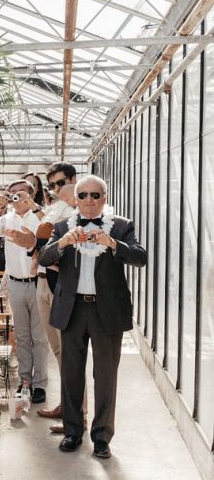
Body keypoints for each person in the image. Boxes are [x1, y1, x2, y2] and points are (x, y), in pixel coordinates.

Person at [39, 175, 147, 459]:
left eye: (95, 195)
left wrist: (112, 243)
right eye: (83, 195)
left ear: (105, 199)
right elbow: (43, 258)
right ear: (76, 199)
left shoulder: (121, 226)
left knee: (106, 374)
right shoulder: (63, 226)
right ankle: (73, 431)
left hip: (107, 310)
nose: (89, 200)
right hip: (72, 309)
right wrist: (62, 242)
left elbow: (140, 257)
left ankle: (102, 436)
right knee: (71, 373)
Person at [0, 179, 48, 403]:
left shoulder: (40, 215)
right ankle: (25, 380)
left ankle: (40, 384)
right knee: (21, 335)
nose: (15, 198)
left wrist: (34, 207)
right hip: (16, 283)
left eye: (20, 194)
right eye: (12, 194)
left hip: (37, 281)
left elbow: (50, 229)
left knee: (39, 337)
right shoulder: (7, 218)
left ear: (31, 195)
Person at [36, 161, 81, 426]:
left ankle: (78, 414)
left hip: (62, 284)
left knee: (71, 353)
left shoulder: (83, 208)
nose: (56, 189)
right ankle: (67, 406)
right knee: (58, 350)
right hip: (43, 280)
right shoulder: (54, 209)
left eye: (61, 183)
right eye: (51, 185)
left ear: (74, 179)